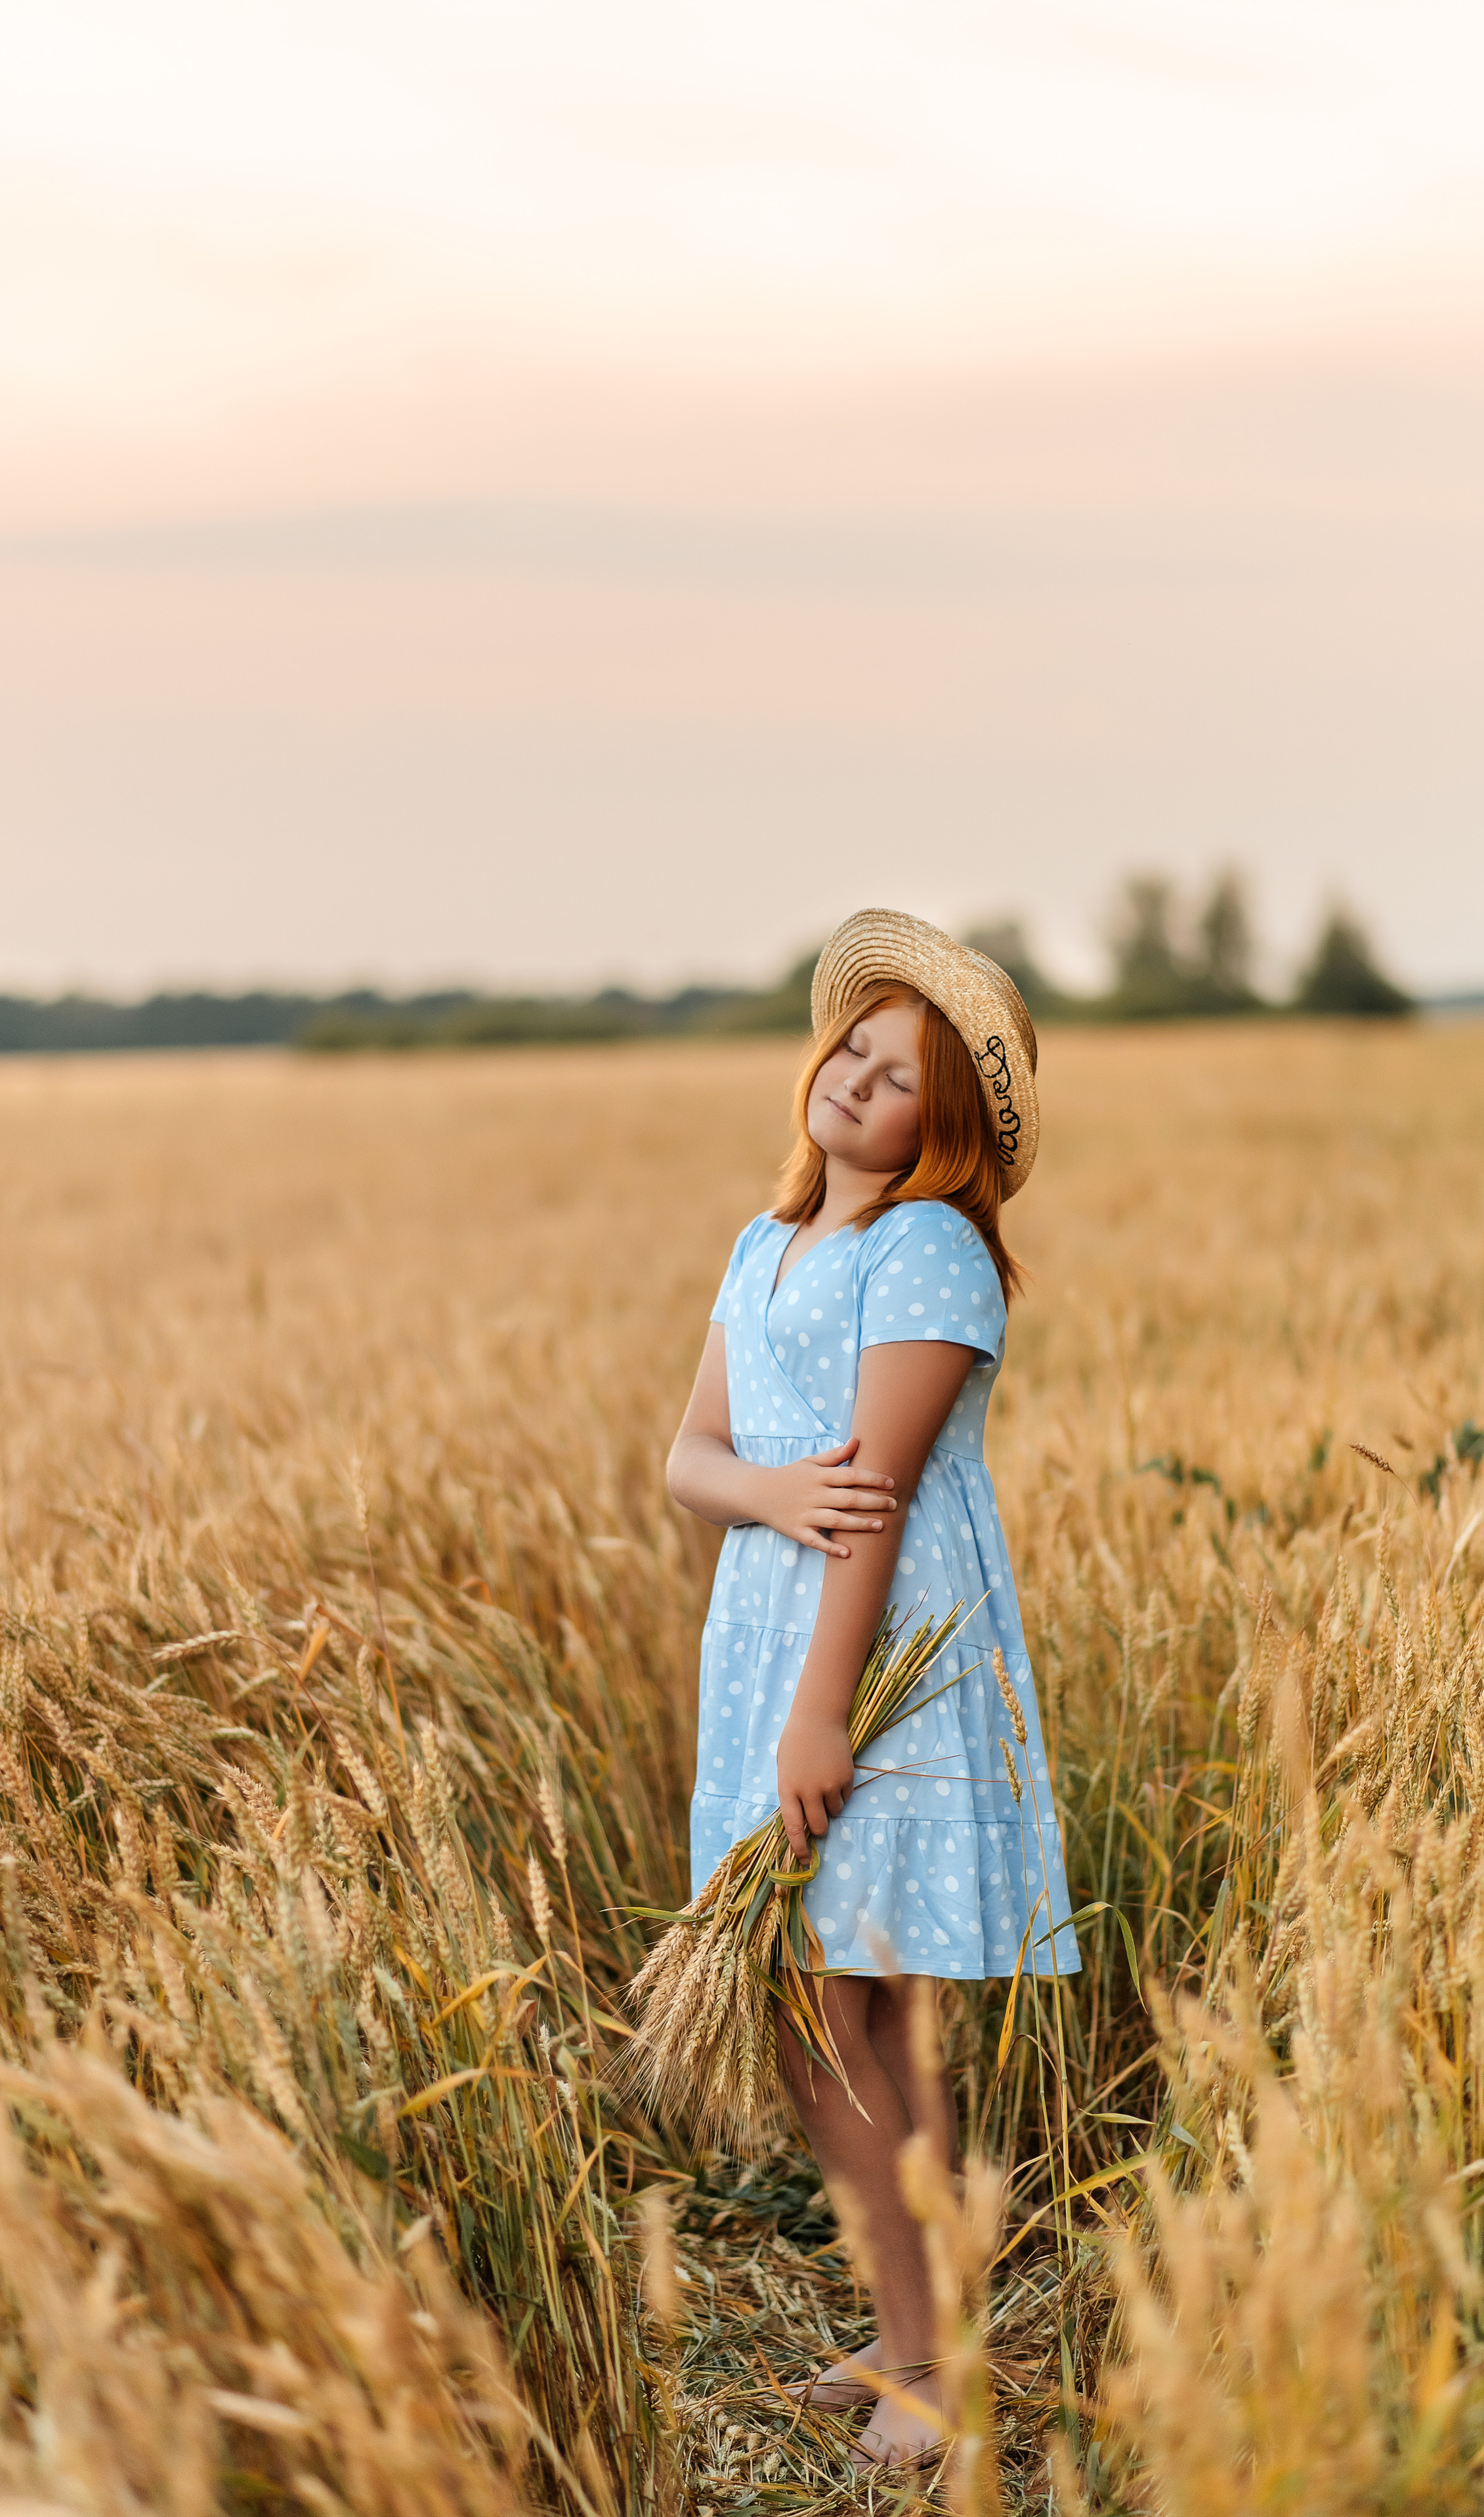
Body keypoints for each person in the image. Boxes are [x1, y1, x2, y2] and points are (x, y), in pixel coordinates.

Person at [666, 907, 1078, 2470]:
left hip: (878, 1661)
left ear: (942, 1127)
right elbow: (689, 1457)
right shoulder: (766, 1241)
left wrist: (821, 1714)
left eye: (897, 1074)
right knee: (841, 2011)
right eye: (851, 1045)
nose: (853, 1076)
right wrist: (766, 1495)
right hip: (766, 1638)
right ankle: (916, 2334)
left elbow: (879, 1504)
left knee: (840, 2011)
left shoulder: (927, 1251)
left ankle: (937, 2368)